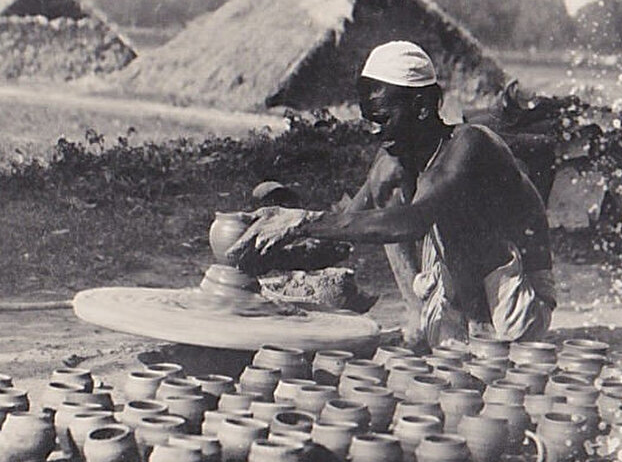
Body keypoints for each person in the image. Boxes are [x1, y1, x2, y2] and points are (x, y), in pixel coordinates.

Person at [227, 41, 556, 347]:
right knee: (387, 181)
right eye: (369, 120)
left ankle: (480, 338)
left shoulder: (471, 144)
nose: (372, 130)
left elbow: (410, 223)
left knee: (448, 210)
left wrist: (302, 220)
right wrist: (265, 250)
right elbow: (339, 237)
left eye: (381, 119)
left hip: (517, 301)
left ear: (422, 107)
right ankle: (425, 322)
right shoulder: (394, 161)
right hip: (453, 292)